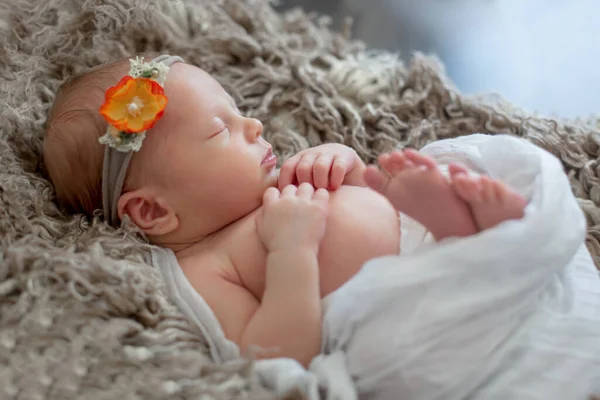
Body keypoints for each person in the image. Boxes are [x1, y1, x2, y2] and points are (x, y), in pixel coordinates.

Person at [43, 55, 526, 367]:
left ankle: (452, 222)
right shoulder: (205, 269)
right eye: (220, 130)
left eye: (239, 111)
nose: (254, 125)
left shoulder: (278, 184)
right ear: (151, 211)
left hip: (414, 236)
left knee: (413, 173)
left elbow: (344, 192)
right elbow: (276, 353)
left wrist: (344, 165)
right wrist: (291, 251)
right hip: (401, 310)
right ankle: (471, 240)